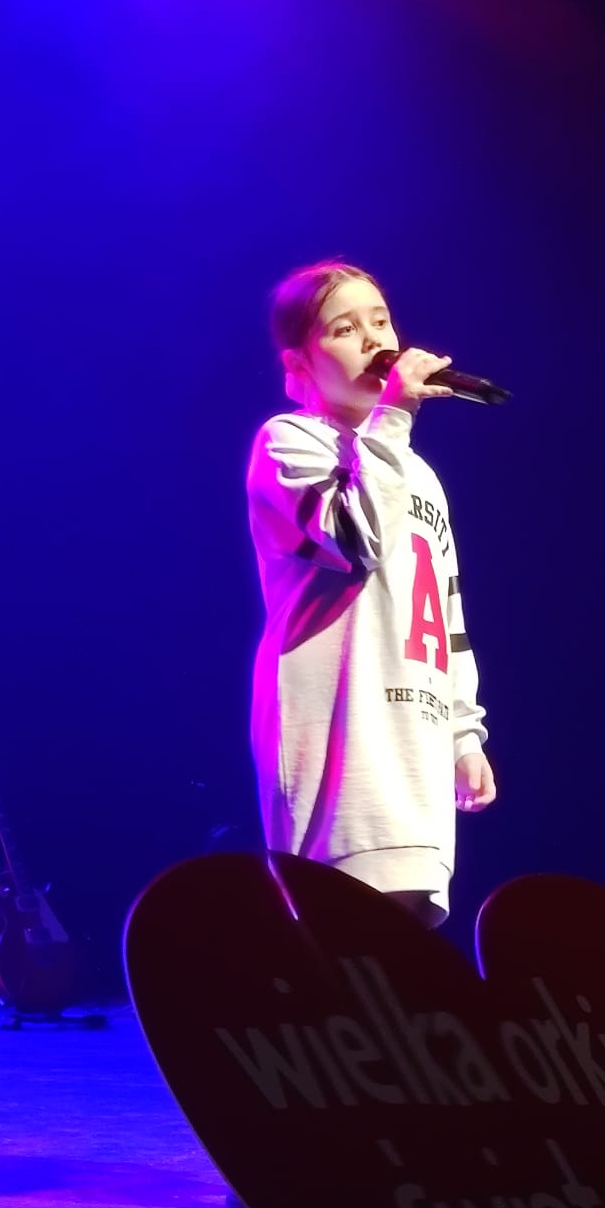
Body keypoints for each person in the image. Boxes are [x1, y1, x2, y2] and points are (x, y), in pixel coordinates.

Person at [246, 259, 497, 928]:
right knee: (342, 942)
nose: (373, 339)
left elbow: (447, 614)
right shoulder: (289, 441)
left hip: (415, 744)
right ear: (299, 364)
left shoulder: (418, 473)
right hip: (340, 743)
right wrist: (392, 421)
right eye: (344, 328)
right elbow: (356, 542)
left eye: (380, 321)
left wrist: (464, 734)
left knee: (404, 956)